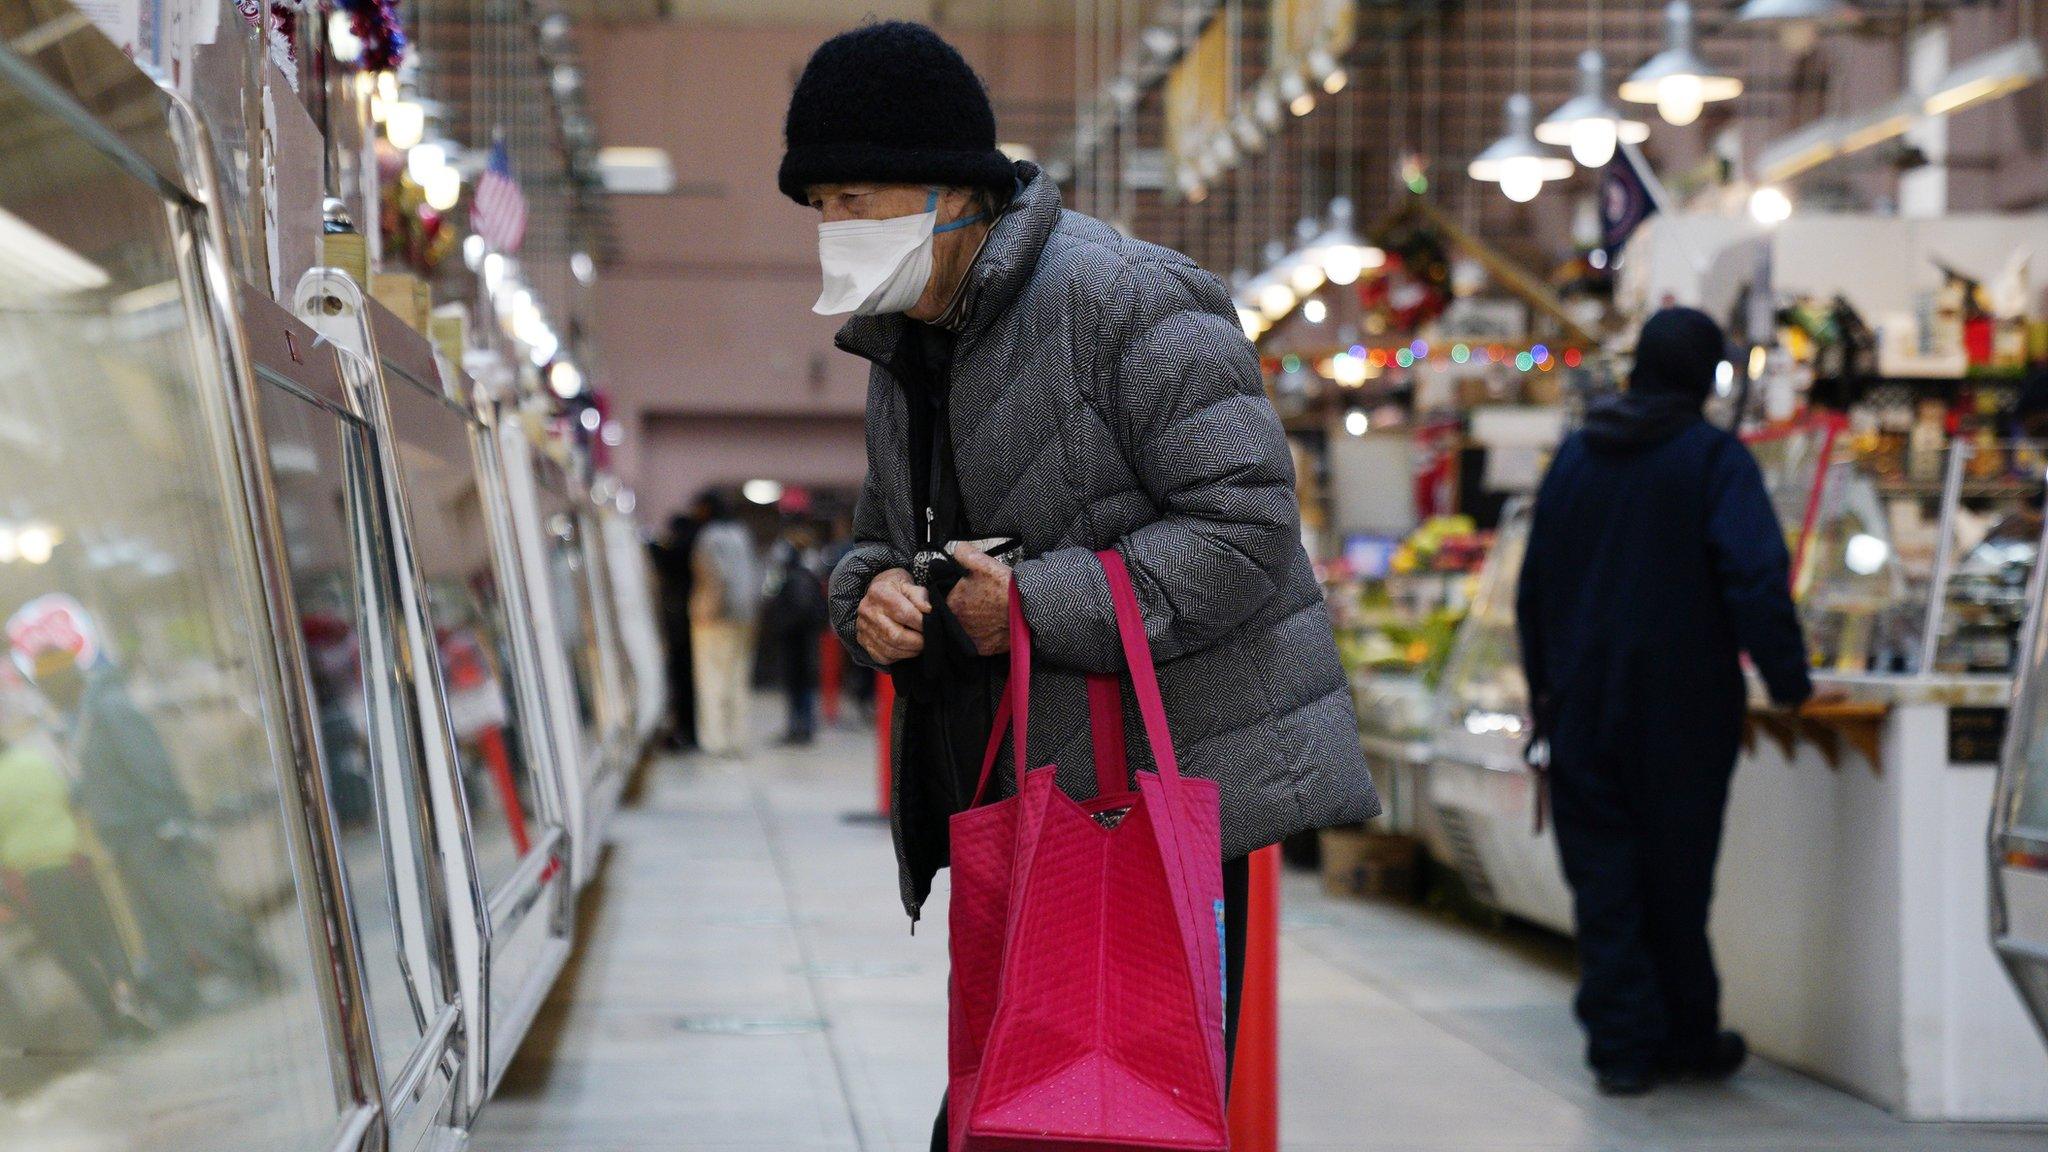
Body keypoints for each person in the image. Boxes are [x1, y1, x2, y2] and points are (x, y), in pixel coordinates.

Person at [781, 21, 1379, 1142]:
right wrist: (869, 598)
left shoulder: (1125, 297)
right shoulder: (905, 340)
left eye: (855, 199)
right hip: (1016, 795)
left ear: (952, 190)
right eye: (818, 206)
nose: (833, 231)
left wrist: (1033, 606)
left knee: (1097, 1110)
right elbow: (876, 535)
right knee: (1025, 1102)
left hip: (1137, 804)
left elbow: (1245, 527)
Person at [1515, 307, 1814, 1096]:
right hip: (1686, 710)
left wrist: (1544, 689)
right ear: (1705, 376)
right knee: (1677, 878)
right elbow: (1754, 576)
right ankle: (1686, 1034)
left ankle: (1622, 1048)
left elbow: (1533, 586)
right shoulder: (1715, 461)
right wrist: (1789, 682)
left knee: (1605, 882)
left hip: (1581, 706)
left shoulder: (1576, 458)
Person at [31, 648, 271, 1018]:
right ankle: (178, 1001)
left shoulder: (109, 708)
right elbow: (103, 775)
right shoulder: (82, 716)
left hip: (148, 830)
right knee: (153, 926)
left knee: (193, 912)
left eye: (46, 685)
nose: (44, 694)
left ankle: (257, 972)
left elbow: (150, 764)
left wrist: (171, 818)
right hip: (123, 839)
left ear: (66, 680)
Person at [0, 686, 146, 1040]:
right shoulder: (36, 762)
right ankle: (135, 1005)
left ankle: (115, 1022)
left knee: (72, 954)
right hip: (75, 862)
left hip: (36, 881)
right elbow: (69, 800)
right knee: (104, 939)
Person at [689, 490, 761, 756]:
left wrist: (709, 610)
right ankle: (737, 738)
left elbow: (714, 576)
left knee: (712, 678)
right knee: (738, 678)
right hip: (744, 615)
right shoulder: (741, 534)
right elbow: (752, 574)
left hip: (714, 617)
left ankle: (715, 740)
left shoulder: (709, 537)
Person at [765, 523, 829, 745]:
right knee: (804, 685)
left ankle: (798, 727)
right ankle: (803, 727)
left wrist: (781, 625)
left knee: (797, 685)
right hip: (806, 638)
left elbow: (793, 607)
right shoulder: (811, 573)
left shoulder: (793, 575)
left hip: (795, 639)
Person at [650, 508, 703, 750]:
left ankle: (685, 733)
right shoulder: (697, 545)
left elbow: (668, 559)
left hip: (682, 623)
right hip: (693, 623)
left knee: (682, 681)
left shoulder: (681, 550)